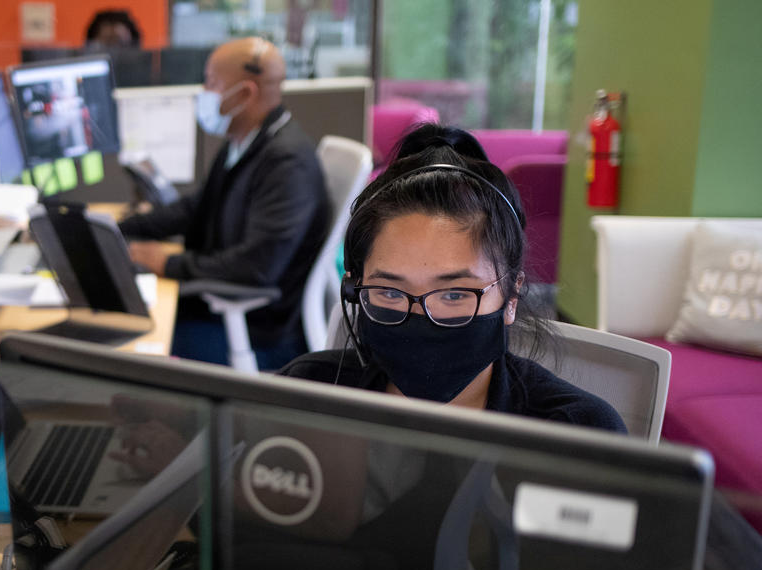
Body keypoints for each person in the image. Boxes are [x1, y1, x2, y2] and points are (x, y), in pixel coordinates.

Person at [281, 123, 626, 433]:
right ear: (356, 289)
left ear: (511, 297)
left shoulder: (579, 435)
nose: (420, 319)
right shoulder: (303, 397)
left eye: (454, 295)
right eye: (389, 292)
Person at [118, 37, 330, 371]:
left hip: (256, 333)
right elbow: (195, 209)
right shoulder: (244, 142)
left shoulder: (287, 164)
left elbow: (257, 266)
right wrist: (118, 229)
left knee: (128, 341)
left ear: (245, 93)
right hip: (219, 309)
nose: (204, 92)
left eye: (211, 83)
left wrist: (167, 263)